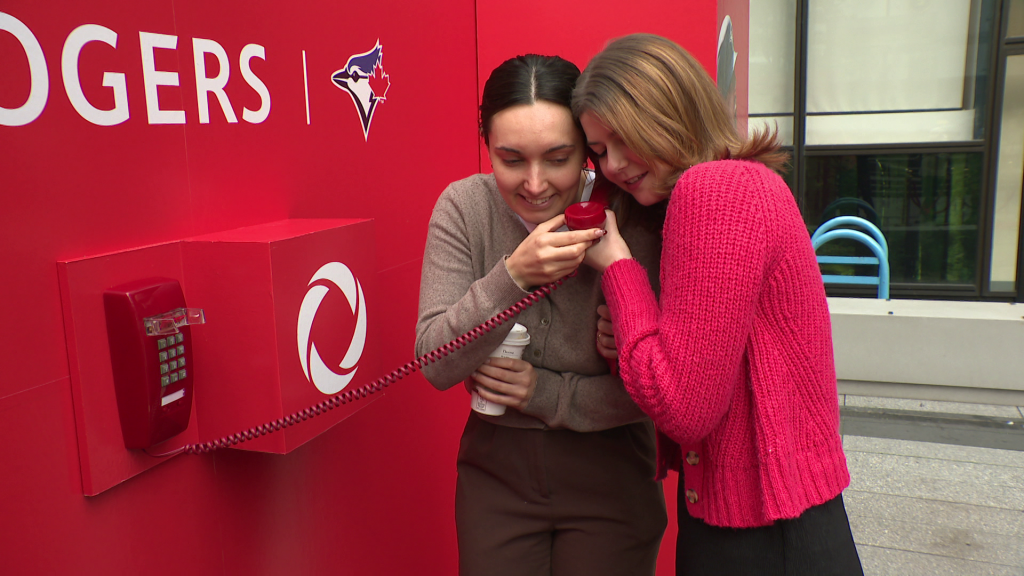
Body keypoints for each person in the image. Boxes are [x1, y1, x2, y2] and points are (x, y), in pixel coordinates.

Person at [573, 34, 863, 576]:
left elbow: (684, 406)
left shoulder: (714, 191)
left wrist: (617, 268)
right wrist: (643, 336)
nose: (610, 166)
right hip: (771, 512)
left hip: (764, 532)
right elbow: (698, 367)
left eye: (619, 140)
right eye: (598, 151)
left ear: (663, 114)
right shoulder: (736, 185)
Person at [415, 54, 666, 576]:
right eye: (511, 159)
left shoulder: (630, 210)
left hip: (613, 468)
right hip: (497, 472)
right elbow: (435, 361)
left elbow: (663, 386)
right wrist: (514, 276)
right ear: (487, 147)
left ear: (589, 151)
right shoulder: (465, 208)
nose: (535, 184)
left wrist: (540, 393)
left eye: (558, 158)